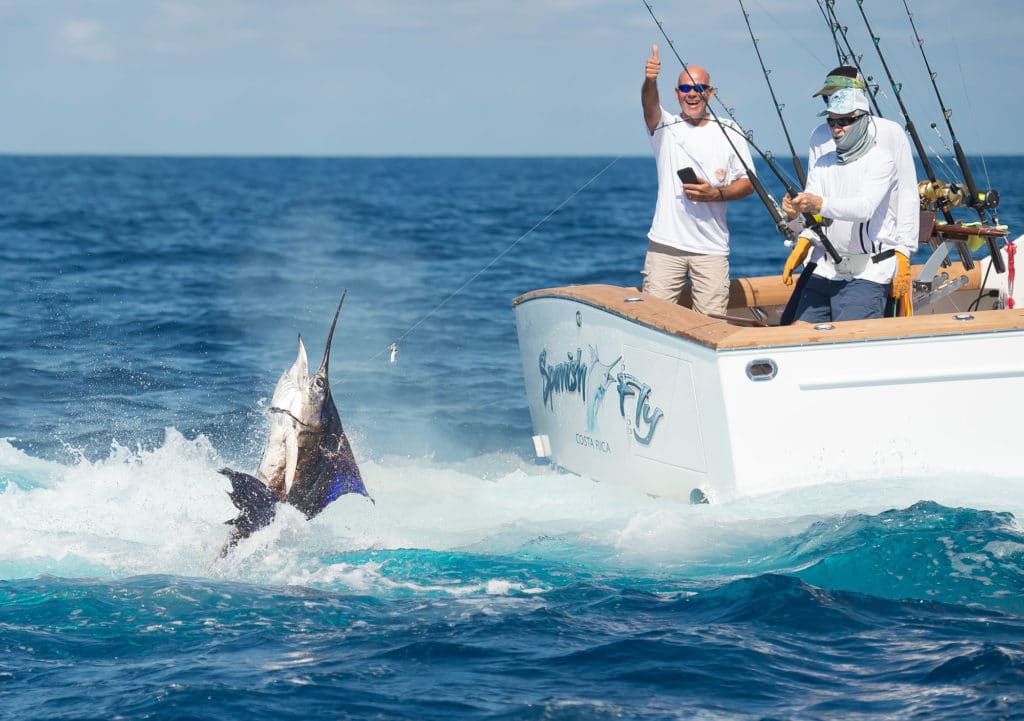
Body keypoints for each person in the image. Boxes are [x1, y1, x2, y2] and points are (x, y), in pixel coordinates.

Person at [782, 66, 919, 315]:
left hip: (874, 256)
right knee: (790, 323)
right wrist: (802, 235)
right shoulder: (819, 134)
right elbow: (815, 194)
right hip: (826, 256)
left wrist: (904, 251)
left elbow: (907, 194)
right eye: (827, 100)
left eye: (844, 118)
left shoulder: (890, 133)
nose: (836, 125)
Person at [641, 44, 755, 316]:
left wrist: (716, 194)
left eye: (699, 88)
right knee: (654, 320)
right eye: (685, 89)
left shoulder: (730, 129)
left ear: (710, 92)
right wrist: (650, 79)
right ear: (677, 94)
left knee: (711, 325)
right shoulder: (664, 125)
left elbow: (749, 182)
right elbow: (649, 104)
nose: (692, 95)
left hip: (711, 249)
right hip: (666, 245)